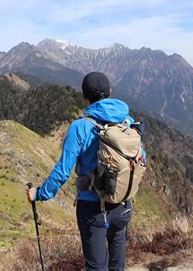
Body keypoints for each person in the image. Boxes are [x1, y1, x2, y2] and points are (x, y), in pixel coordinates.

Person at [26, 71, 136, 271]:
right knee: (117, 265)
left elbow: (62, 171)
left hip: (92, 209)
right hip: (123, 205)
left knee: (96, 267)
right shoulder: (127, 122)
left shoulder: (80, 127)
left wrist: (40, 193)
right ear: (110, 92)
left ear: (84, 97)